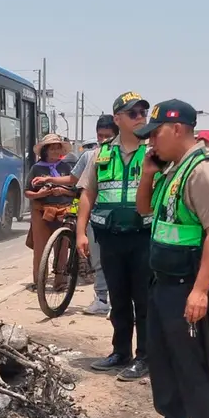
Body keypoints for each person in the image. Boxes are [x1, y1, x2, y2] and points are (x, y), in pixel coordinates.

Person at [134, 99, 209, 418]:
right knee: (163, 358)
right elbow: (145, 210)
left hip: (187, 284)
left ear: (177, 129)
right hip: (162, 282)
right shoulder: (173, 170)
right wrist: (147, 173)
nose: (150, 143)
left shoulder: (204, 171)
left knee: (194, 365)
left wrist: (201, 290)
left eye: (154, 134)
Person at [76, 91, 152, 380]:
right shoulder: (102, 153)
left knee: (143, 300)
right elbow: (88, 193)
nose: (140, 118)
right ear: (118, 118)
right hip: (109, 236)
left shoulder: (153, 151)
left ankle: (144, 356)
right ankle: (120, 352)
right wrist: (81, 232)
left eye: (143, 112)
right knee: (118, 298)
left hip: (143, 236)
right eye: (133, 113)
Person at [72, 115, 117, 317]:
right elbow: (85, 191)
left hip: (119, 220)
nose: (104, 140)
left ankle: (118, 301)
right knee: (98, 261)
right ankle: (101, 299)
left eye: (108, 136)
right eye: (100, 135)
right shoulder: (93, 156)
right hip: (97, 219)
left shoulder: (130, 156)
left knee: (119, 262)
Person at [25, 133, 75, 290]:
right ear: (45, 151)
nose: (55, 151)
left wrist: (62, 191)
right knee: (40, 248)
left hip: (63, 211)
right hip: (41, 211)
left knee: (62, 246)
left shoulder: (66, 168)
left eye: (57, 148)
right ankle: (39, 282)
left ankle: (60, 282)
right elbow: (27, 192)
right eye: (52, 148)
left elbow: (75, 191)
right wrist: (39, 194)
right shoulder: (36, 168)